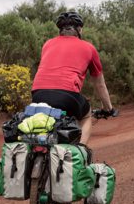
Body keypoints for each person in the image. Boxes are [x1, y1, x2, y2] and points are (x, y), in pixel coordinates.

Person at [31, 11, 115, 144]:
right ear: (79, 29)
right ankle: (80, 151)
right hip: (67, 96)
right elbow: (99, 84)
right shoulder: (89, 48)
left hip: (38, 94)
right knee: (86, 116)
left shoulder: (47, 44)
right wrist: (108, 109)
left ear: (60, 30)